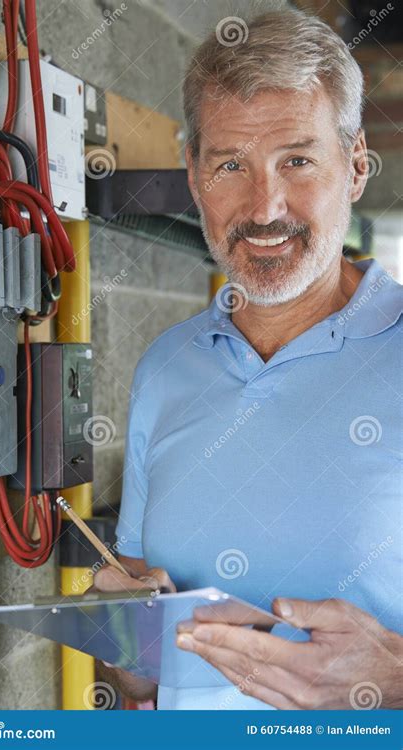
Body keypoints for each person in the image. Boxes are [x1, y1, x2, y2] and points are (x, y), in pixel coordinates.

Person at [95, 8, 403, 710]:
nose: (265, 207)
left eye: (297, 160)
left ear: (355, 167)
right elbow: (145, 676)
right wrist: (124, 633)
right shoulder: (166, 368)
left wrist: (392, 682)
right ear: (196, 178)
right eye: (231, 164)